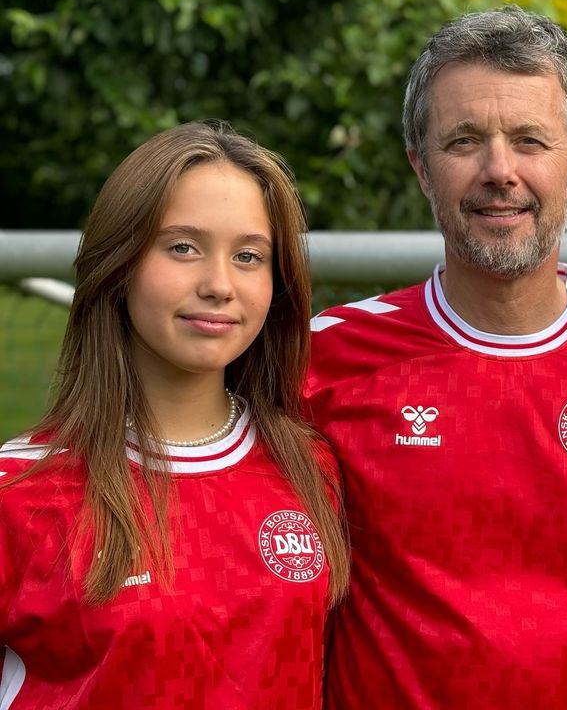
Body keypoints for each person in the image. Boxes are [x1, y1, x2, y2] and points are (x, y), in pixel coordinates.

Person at [302, 5, 567, 708]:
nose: (499, 171)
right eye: (465, 140)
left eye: (530, 140)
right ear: (421, 167)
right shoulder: (332, 356)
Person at [0, 121, 349, 709]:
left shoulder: (309, 467)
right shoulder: (22, 494)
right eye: (183, 247)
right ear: (121, 262)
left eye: (248, 256)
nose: (218, 284)